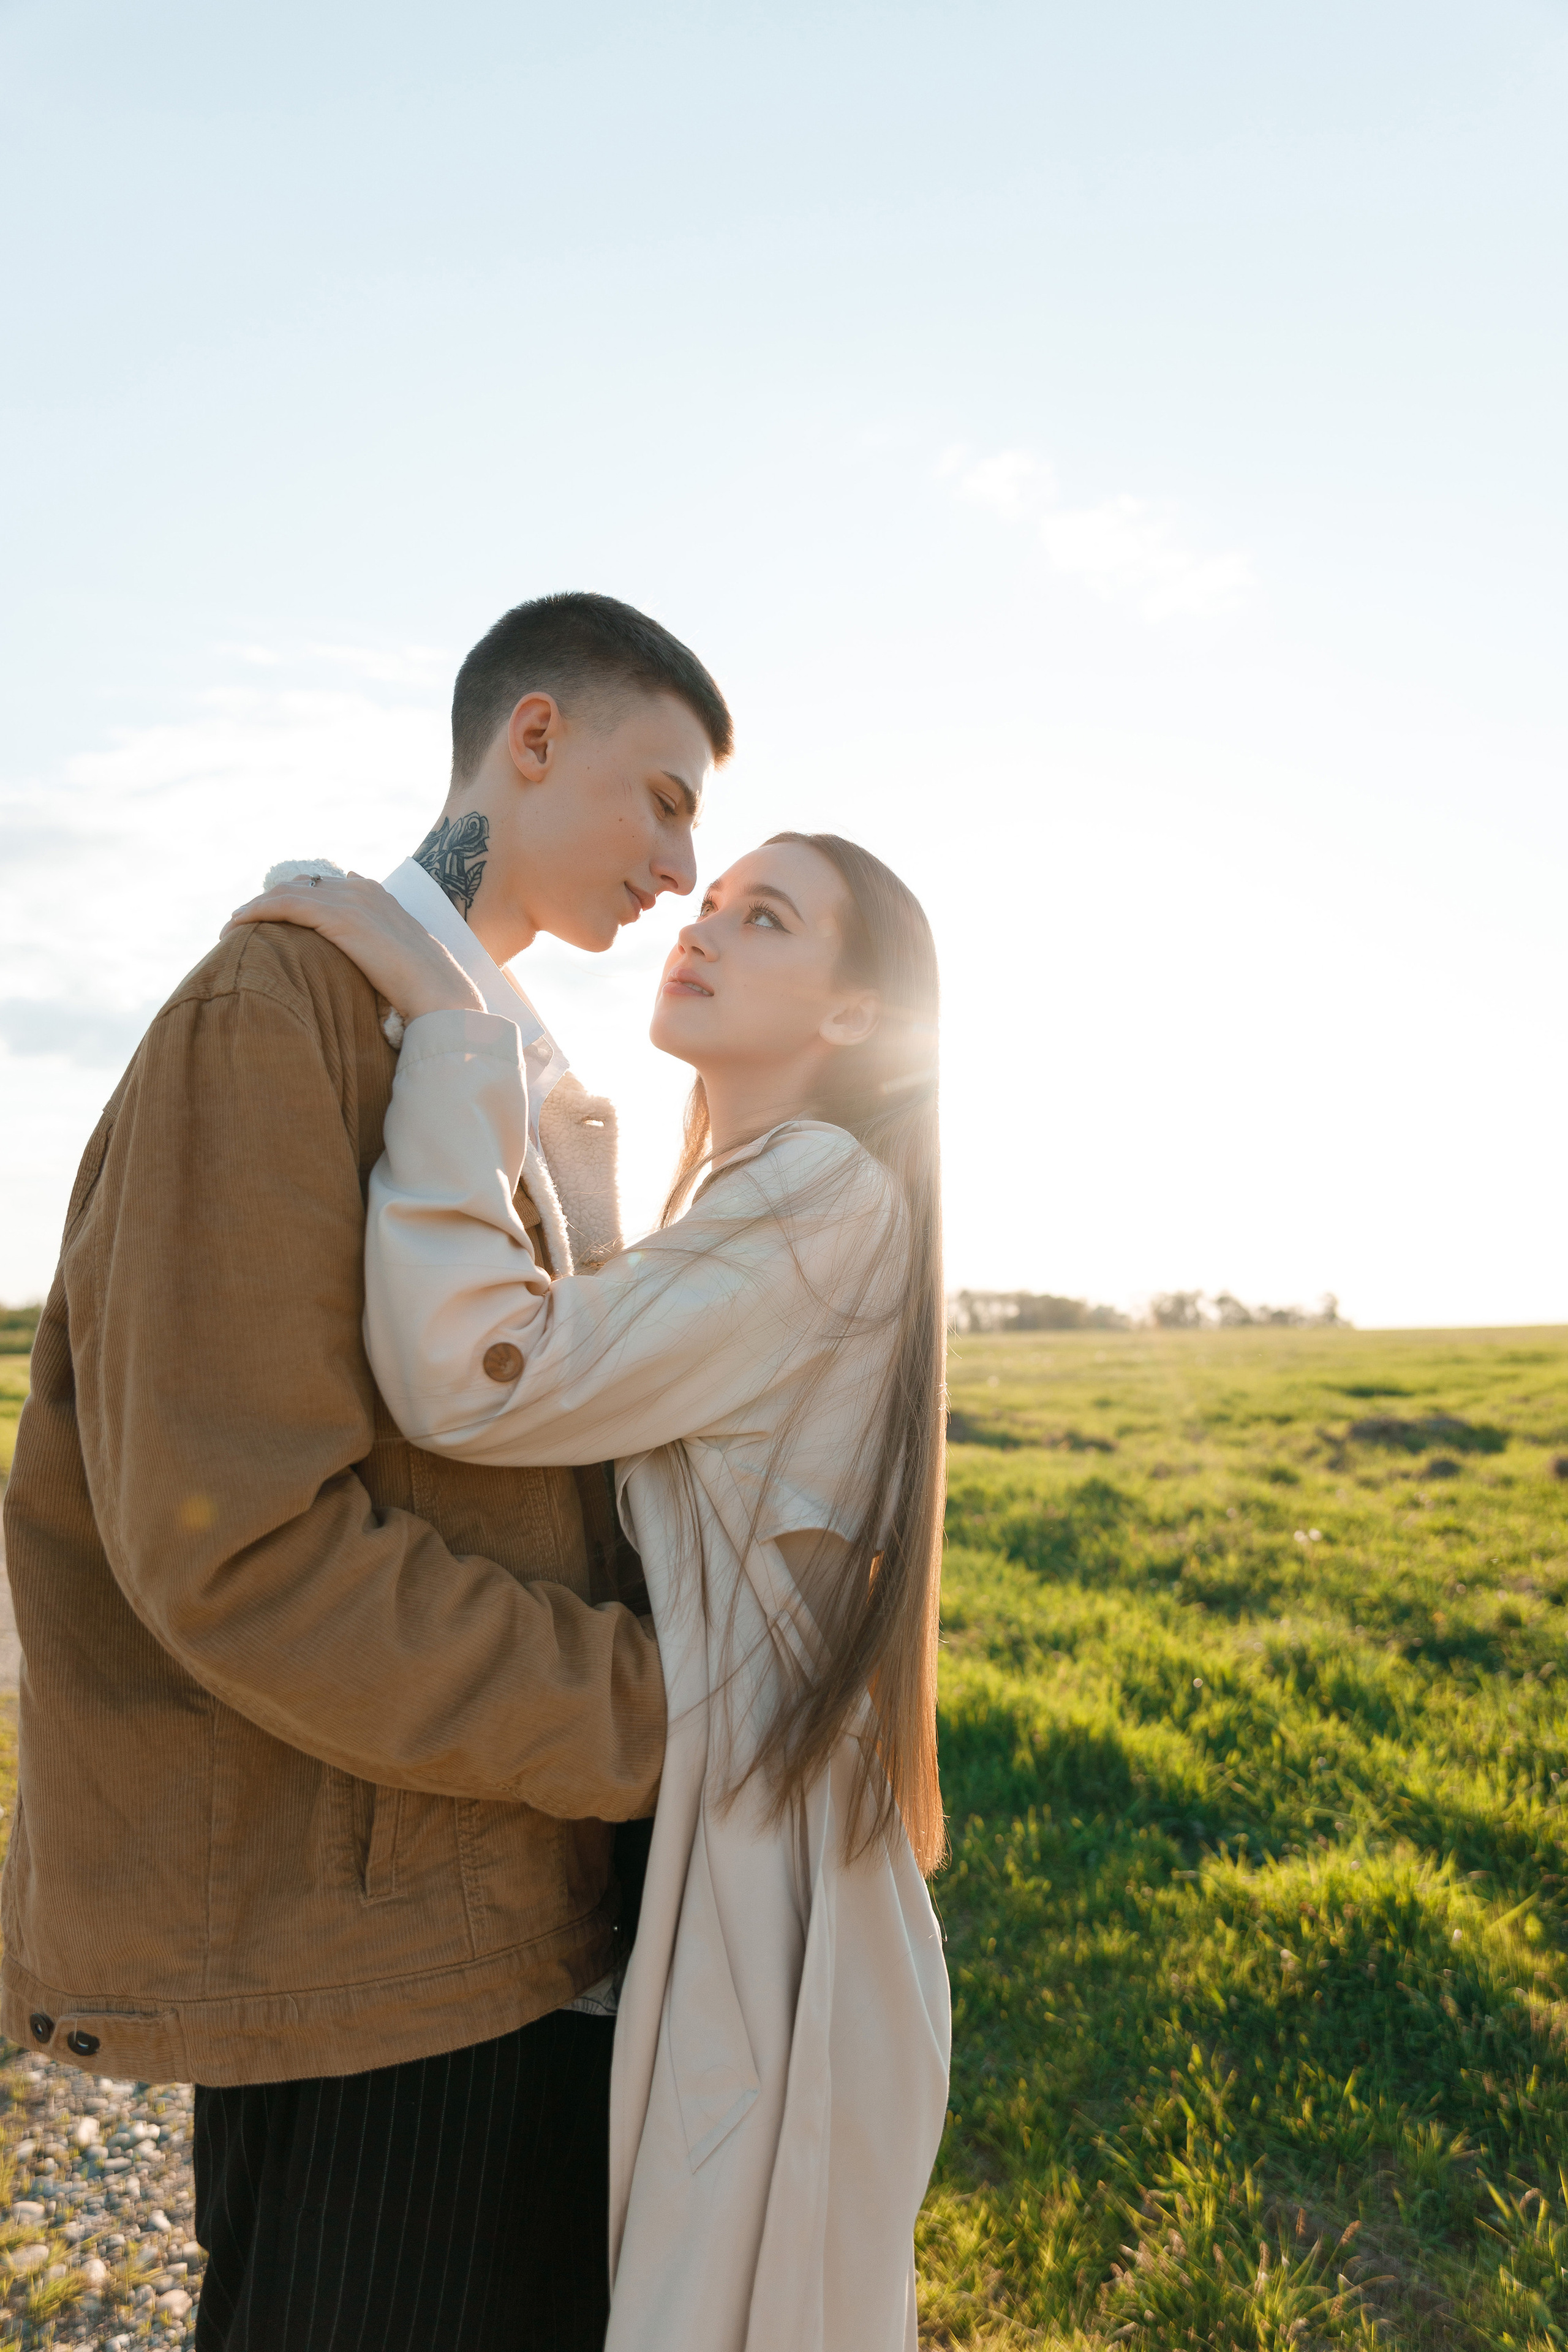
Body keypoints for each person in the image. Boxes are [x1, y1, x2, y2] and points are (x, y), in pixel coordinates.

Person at [0, 592, 733, 2351]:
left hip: (525, 1915)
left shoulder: (503, 1057)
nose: (683, 866)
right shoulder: (278, 1011)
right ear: (532, 737)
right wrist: (659, 1716)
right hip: (375, 1966)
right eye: (662, 798)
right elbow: (241, 1547)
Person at [228, 827, 953, 2351]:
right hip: (743, 1830)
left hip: (753, 1857)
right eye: (709, 903)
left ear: (854, 1014)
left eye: (766, 918)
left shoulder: (819, 1190)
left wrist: (449, 1021)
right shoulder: (767, 1192)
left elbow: (477, 1379)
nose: (703, 925)